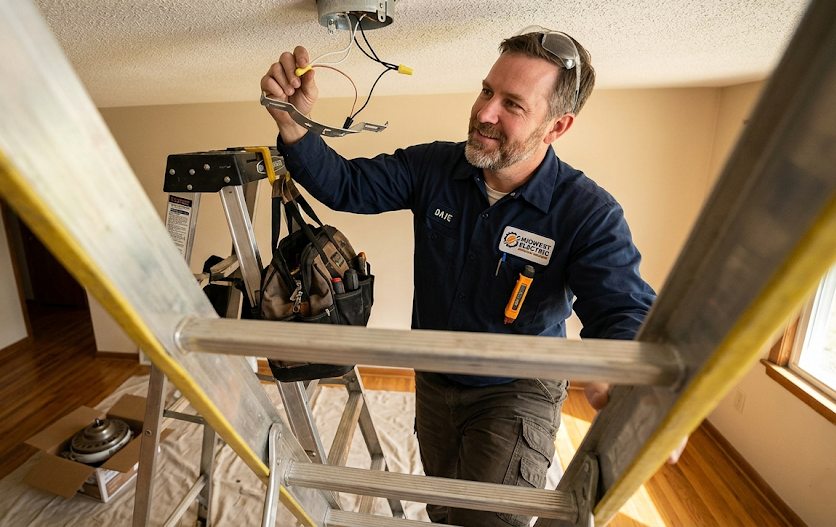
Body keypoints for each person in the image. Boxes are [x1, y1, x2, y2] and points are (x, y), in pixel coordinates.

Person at [260, 29, 657, 526]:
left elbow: (623, 309)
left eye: (513, 104)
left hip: (516, 387)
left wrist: (629, 373)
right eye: (487, 91)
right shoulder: (434, 168)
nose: (485, 113)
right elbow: (347, 186)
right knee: (446, 509)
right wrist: (292, 124)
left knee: (488, 521)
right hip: (434, 375)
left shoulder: (587, 213)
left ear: (557, 127)